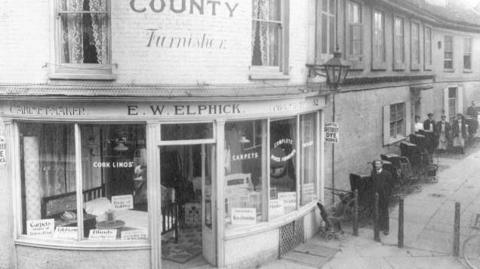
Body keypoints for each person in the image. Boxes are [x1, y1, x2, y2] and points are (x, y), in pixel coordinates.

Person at [371, 160, 394, 236]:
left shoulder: (387, 174)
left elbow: (391, 186)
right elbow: (373, 183)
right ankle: (380, 226)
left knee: (385, 212)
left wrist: (387, 195)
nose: (377, 165)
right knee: (378, 211)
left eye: (378, 164)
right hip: (376, 196)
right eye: (375, 164)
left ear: (382, 165)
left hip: (384, 196)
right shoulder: (373, 173)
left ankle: (386, 229)